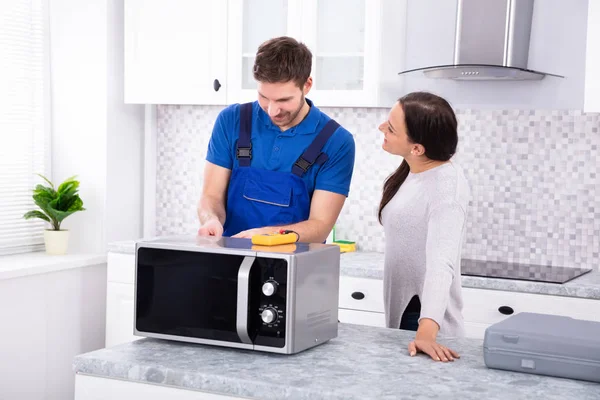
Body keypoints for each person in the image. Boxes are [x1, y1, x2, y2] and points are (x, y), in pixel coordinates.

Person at [197, 36, 355, 242]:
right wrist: (211, 219)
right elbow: (211, 196)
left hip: (295, 267)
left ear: (306, 85)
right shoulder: (232, 120)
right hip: (229, 261)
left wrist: (269, 235)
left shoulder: (336, 141)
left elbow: (320, 226)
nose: (272, 111)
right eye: (264, 97)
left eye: (283, 100)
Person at [377, 92, 470, 362]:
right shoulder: (413, 169)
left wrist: (426, 333)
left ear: (417, 148)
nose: (382, 128)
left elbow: (441, 264)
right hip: (404, 310)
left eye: (391, 128)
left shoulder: (447, 188)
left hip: (422, 319)